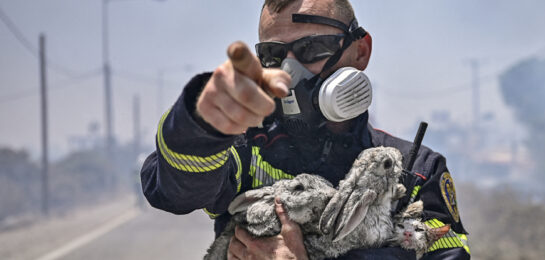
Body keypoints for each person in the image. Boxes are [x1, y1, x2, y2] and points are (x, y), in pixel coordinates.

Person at [140, 0, 471, 259]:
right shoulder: (244, 148)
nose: (289, 71)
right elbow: (173, 193)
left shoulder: (412, 174)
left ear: (360, 51)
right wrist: (201, 126)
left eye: (312, 49)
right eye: (273, 55)